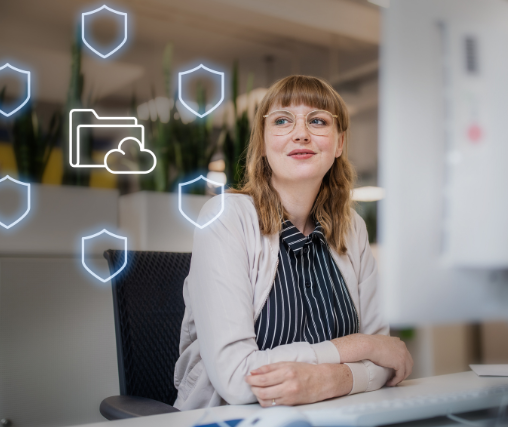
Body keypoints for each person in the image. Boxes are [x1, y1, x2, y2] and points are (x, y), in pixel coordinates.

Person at [173, 75, 413, 410]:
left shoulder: (351, 228)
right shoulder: (226, 217)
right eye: (283, 121)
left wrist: (328, 381)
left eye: (317, 121)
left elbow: (387, 362)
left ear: (339, 143)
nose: (301, 133)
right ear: (264, 140)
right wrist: (357, 347)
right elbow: (236, 379)